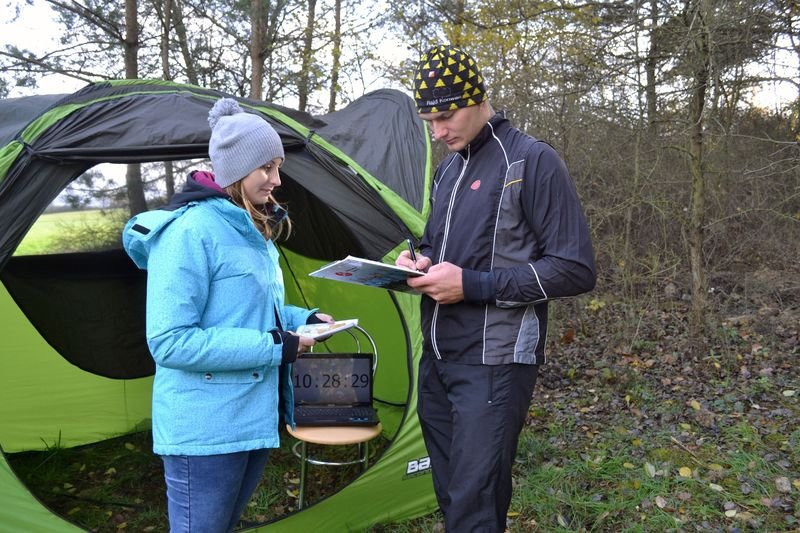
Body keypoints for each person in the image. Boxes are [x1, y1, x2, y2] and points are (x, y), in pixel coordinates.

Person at [396, 44, 597, 532]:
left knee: (474, 504)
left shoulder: (533, 160)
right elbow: (440, 247)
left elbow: (574, 268)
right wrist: (419, 261)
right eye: (429, 121)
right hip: (439, 358)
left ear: (478, 97)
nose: (438, 131)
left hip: (496, 363)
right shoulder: (447, 169)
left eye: (446, 115)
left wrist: (472, 285)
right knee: (453, 497)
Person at [122, 98, 332, 532]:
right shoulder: (189, 232)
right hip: (203, 430)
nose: (277, 180)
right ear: (237, 169)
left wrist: (302, 318)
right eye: (267, 168)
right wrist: (279, 346)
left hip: (250, 418)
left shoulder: (249, 228)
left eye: (278, 167)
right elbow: (170, 340)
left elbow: (251, 312)